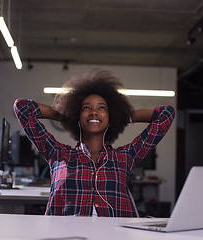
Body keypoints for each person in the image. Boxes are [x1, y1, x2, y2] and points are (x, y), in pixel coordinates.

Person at [13, 68, 175, 217]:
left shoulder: (125, 157)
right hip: (65, 234)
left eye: (101, 108)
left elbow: (166, 114)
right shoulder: (58, 154)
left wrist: (123, 116)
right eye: (86, 108)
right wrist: (67, 116)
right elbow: (22, 108)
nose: (94, 112)